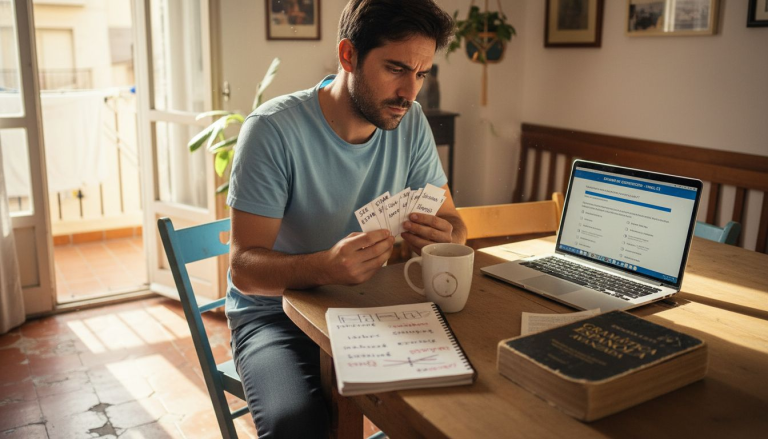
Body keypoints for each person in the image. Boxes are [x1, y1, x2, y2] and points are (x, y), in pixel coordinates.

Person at [226, 0, 463, 436]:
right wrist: (323, 267)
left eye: (421, 74)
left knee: (455, 406)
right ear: (348, 55)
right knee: (295, 425)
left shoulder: (411, 123)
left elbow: (454, 222)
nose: (410, 92)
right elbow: (243, 271)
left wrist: (445, 236)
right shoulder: (272, 130)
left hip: (372, 307)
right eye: (395, 68)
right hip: (275, 315)